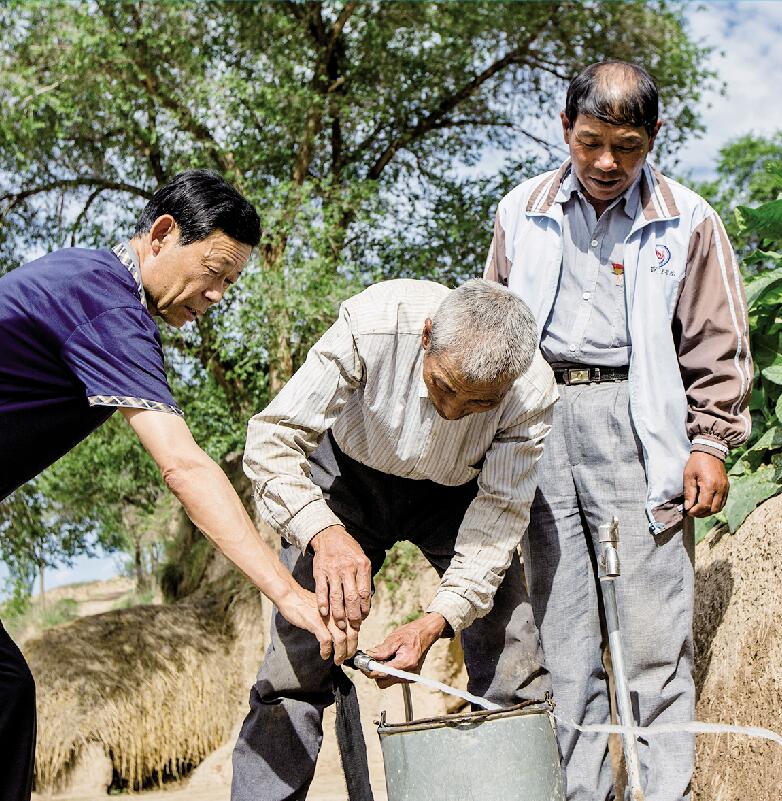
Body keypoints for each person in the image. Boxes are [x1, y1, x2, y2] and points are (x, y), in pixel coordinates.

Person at [0, 169, 348, 801]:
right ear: (163, 235)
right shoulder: (107, 301)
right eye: (214, 270)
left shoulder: (80, 279)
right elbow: (184, 467)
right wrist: (285, 590)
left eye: (231, 282)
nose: (218, 294)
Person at [485, 62, 753, 801]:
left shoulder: (688, 218)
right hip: (542, 426)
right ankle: (587, 793)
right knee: (565, 639)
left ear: (654, 138)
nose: (608, 162)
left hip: (638, 420)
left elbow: (717, 340)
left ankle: (665, 791)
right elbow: (495, 333)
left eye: (628, 145)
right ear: (565, 128)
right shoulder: (519, 211)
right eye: (592, 141)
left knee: (651, 636)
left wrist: (710, 440)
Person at [231, 278, 557, 801]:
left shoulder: (531, 392)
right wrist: (323, 532)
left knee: (512, 658)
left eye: (478, 405)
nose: (452, 411)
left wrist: (439, 619)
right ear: (426, 335)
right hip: (346, 485)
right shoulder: (375, 323)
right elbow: (272, 441)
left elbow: (499, 515)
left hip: (459, 497)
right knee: (296, 663)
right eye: (445, 387)